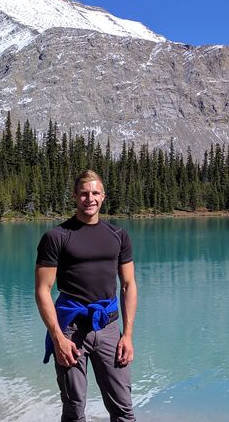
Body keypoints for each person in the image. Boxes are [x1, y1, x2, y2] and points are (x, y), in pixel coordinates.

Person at [35, 170, 138, 422]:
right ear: (74, 196)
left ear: (103, 196)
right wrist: (57, 337)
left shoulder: (118, 236)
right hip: (70, 330)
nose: (89, 198)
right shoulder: (57, 237)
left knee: (123, 409)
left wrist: (128, 335)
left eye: (94, 193)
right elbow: (42, 291)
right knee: (74, 410)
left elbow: (128, 285)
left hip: (109, 328)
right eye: (83, 193)